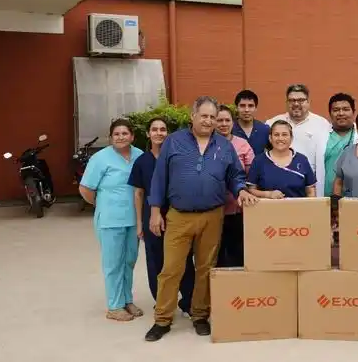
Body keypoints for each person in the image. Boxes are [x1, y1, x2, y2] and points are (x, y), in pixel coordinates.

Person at [144, 96, 257, 341]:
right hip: (178, 216)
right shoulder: (173, 142)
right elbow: (159, 178)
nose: (208, 121)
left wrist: (241, 190)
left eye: (212, 117)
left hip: (212, 216)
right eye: (204, 116)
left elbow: (235, 175)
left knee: (206, 268)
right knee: (171, 269)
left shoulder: (224, 146)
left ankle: (200, 315)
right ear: (192, 117)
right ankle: (162, 319)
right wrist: (155, 212)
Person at [128, 117, 195, 317]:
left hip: (178, 214)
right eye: (154, 129)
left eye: (163, 129)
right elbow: (138, 193)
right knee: (157, 262)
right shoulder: (142, 161)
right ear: (148, 134)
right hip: (152, 217)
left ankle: (189, 302)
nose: (159, 133)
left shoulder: (178, 157)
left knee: (183, 260)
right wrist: (140, 223)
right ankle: (164, 304)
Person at [78, 118, 144, 322]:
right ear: (111, 137)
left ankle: (126, 300)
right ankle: (114, 306)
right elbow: (85, 189)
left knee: (129, 261)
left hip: (133, 218)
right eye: (116, 134)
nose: (121, 137)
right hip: (109, 220)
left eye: (125, 133)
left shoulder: (139, 155)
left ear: (132, 136)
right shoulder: (100, 158)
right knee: (113, 262)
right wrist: (102, 205)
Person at [266, 84, 332, 190]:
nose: (296, 104)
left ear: (308, 102)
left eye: (301, 100)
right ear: (286, 103)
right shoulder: (272, 123)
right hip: (278, 185)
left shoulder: (322, 124)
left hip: (311, 184)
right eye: (292, 100)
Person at [215, 105, 255, 267]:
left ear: (233, 122)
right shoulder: (207, 144)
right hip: (214, 208)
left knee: (237, 252)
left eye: (227, 120)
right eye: (219, 120)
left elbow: (251, 175)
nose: (223, 124)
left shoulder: (242, 144)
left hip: (238, 208)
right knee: (216, 254)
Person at [247, 120, 317, 198]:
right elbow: (251, 190)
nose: (280, 138)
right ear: (270, 138)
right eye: (276, 135)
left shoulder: (302, 160)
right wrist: (268, 194)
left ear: (291, 138)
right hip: (267, 209)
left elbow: (310, 191)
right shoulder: (259, 161)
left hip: (298, 209)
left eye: (284, 135)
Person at [316, 93, 358, 197]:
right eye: (336, 110)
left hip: (355, 198)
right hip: (325, 198)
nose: (341, 113)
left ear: (353, 112)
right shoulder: (319, 136)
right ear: (330, 113)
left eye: (345, 109)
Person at [232, 89, 269, 155]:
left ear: (256, 108)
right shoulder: (230, 129)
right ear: (236, 108)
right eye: (242, 106)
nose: (246, 110)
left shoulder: (264, 130)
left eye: (250, 106)